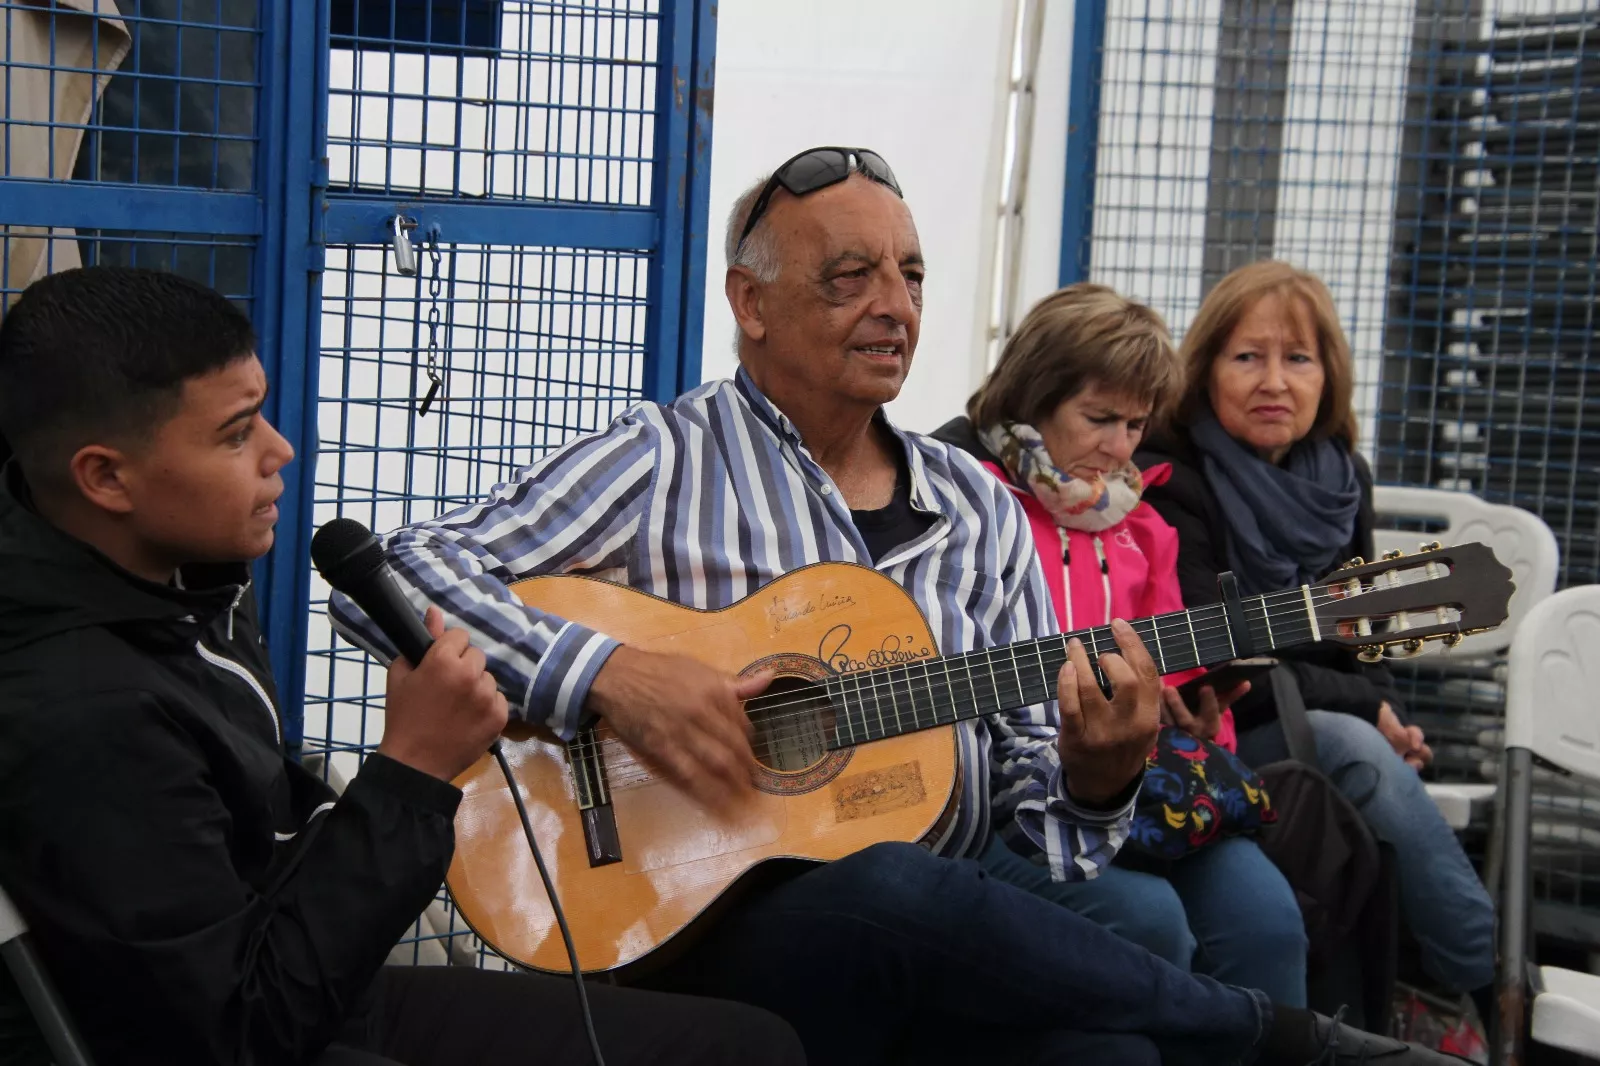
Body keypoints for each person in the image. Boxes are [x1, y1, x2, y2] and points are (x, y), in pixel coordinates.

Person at [333, 146, 1464, 1066]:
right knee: (884, 880)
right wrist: (612, 678)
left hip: (943, 911)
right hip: (679, 923)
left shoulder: (973, 506)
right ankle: (1285, 1038)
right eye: (850, 277)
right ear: (750, 301)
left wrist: (1095, 775)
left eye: (912, 277)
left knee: (1103, 1053)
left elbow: (1044, 830)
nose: (893, 307)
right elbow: (397, 576)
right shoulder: (662, 457)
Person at [0, 267, 808, 1066]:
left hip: (310, 983)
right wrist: (410, 771)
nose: (280, 450)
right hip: (255, 1024)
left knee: (748, 1045)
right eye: (236, 432)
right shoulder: (81, 712)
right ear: (105, 477)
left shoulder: (185, 581)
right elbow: (239, 1031)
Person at [1135, 259, 1497, 1016]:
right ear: (1205, 372)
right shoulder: (1171, 473)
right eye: (1248, 357)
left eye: (1297, 358)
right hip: (1216, 726)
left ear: (1327, 375)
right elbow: (1215, 659)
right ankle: (1488, 990)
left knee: (1369, 751)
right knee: (1358, 749)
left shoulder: (1344, 479)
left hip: (1321, 717)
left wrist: (1386, 706)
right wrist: (1369, 712)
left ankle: (1426, 992)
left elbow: (1366, 635)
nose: (1275, 381)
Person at [932, 282, 1308, 1006]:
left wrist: (1203, 721)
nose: (1118, 447)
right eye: (1099, 418)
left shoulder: (1147, 527)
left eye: (1136, 424)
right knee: (1148, 922)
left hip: (1142, 786)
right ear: (1031, 399)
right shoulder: (962, 500)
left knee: (1266, 919)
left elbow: (1185, 670)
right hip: (1004, 789)